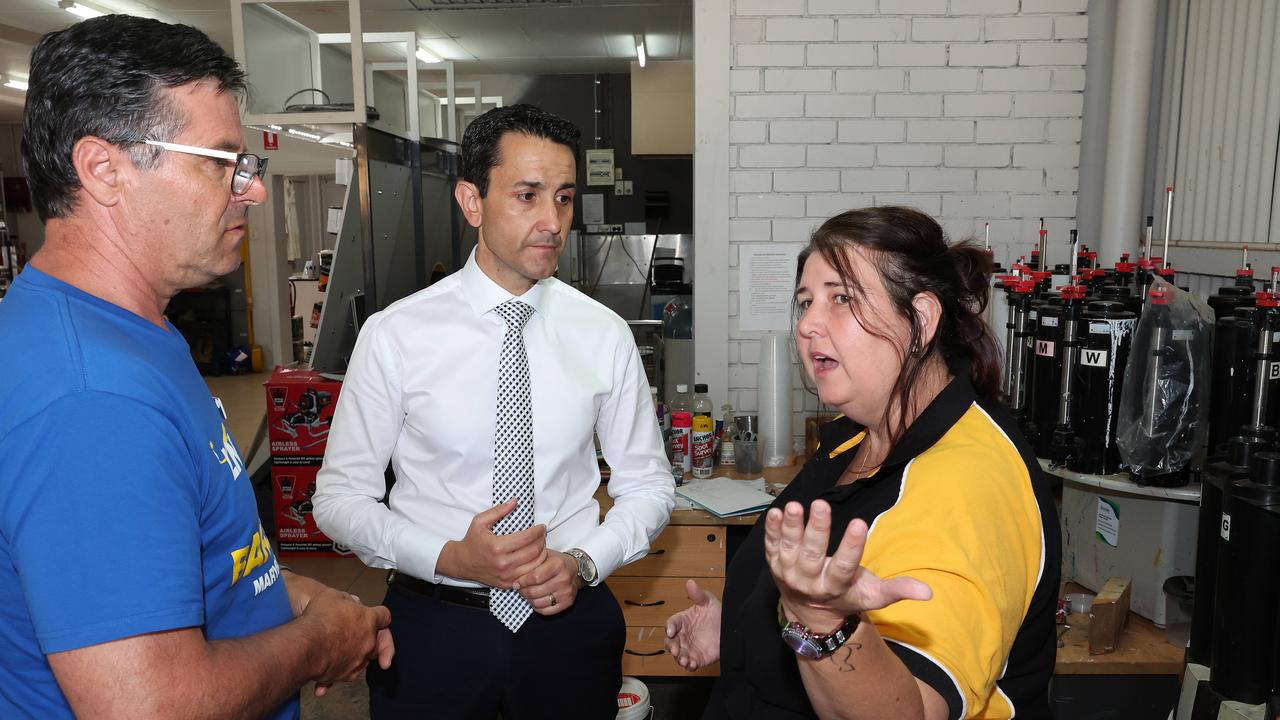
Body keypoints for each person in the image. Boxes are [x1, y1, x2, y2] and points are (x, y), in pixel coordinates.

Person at [0, 16, 393, 719]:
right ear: (104, 169)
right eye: (219, 161)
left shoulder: (130, 332)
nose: (254, 190)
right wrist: (316, 644)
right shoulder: (92, 396)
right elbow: (148, 707)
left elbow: (165, 564)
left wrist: (286, 594)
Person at [313, 103, 675, 719]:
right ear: (471, 201)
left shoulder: (603, 335)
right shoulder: (396, 334)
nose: (552, 221)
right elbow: (339, 499)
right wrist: (450, 557)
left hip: (569, 627)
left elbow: (649, 486)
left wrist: (583, 563)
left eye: (563, 198)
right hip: (434, 629)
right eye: (527, 195)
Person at [665, 207, 1060, 719]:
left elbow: (908, 710)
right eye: (805, 302)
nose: (807, 324)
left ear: (920, 319)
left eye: (841, 298)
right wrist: (743, 630)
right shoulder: (856, 440)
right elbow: (806, 591)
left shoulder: (966, 483)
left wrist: (823, 624)